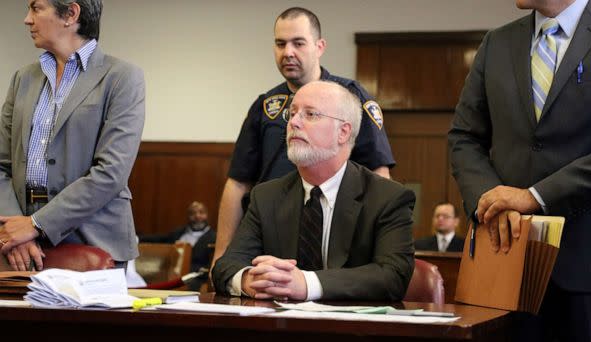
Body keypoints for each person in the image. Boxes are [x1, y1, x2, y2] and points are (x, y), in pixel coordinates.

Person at [448, 0, 591, 340]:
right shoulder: (497, 43)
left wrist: (534, 197)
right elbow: (465, 137)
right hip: (505, 265)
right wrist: (490, 201)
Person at [212, 7, 396, 268]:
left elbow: (378, 174)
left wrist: (378, 247)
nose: (288, 52)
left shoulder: (351, 98)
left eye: (298, 43)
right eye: (280, 43)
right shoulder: (265, 106)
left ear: (319, 46)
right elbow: (237, 183)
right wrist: (221, 255)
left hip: (336, 236)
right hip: (273, 234)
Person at [213, 81, 415, 301]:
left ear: (343, 132)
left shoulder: (388, 198)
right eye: (292, 113)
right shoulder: (266, 197)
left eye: (310, 114)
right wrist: (249, 280)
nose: (294, 123)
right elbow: (226, 265)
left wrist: (307, 284)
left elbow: (393, 277)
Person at [0, 0, 145, 271]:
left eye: (36, 8)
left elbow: (111, 172)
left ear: (71, 14)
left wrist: (36, 224)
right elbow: (1, 165)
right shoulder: (23, 78)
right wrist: (14, 227)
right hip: (19, 248)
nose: (27, 19)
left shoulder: (122, 78)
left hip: (94, 243)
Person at [140, 201, 216, 275]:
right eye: (193, 213)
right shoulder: (178, 232)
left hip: (196, 276)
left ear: (207, 215)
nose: (197, 216)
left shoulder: (213, 237)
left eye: (201, 212)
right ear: (188, 216)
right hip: (170, 272)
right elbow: (161, 239)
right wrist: (138, 238)